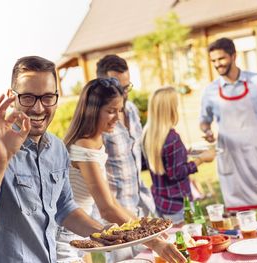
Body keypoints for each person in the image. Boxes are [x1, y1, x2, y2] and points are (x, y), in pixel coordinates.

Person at [0, 56, 107, 263]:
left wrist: (106, 233)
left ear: (56, 96)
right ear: (12, 97)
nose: (38, 108)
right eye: (28, 97)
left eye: (47, 97)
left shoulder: (57, 149)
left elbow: (65, 209)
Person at [56, 78, 186, 263]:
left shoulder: (94, 141)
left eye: (119, 110)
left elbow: (113, 203)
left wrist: (148, 228)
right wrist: (153, 242)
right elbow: (107, 209)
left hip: (78, 235)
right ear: (92, 110)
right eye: (110, 111)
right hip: (65, 239)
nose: (117, 118)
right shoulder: (84, 146)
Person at [200, 37, 257, 210]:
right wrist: (207, 132)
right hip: (230, 155)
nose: (217, 64)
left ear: (234, 56)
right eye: (214, 61)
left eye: (221, 58)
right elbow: (204, 121)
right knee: (238, 213)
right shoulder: (210, 91)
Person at [95, 54, 156, 261]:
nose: (124, 94)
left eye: (127, 87)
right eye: (119, 88)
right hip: (116, 216)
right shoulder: (97, 121)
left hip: (142, 205)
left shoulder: (130, 109)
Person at [142, 87, 215, 225]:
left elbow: (165, 160)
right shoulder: (172, 138)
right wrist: (201, 159)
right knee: (190, 241)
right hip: (179, 206)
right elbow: (176, 173)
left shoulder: (149, 135)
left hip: (162, 203)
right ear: (170, 109)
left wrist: (186, 152)